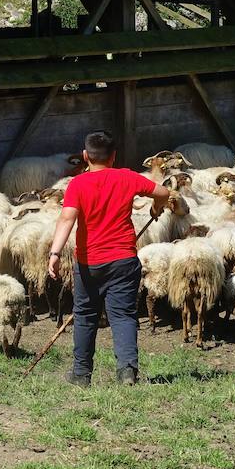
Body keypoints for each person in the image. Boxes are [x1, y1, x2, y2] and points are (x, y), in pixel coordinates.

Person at [48, 130, 170, 386]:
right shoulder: (126, 177)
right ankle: (127, 371)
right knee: (123, 316)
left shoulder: (78, 184)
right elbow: (162, 192)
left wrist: (55, 253)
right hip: (123, 259)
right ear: (114, 156)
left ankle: (81, 374)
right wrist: (156, 208)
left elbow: (67, 218)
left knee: (85, 315)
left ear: (85, 156)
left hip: (89, 262)